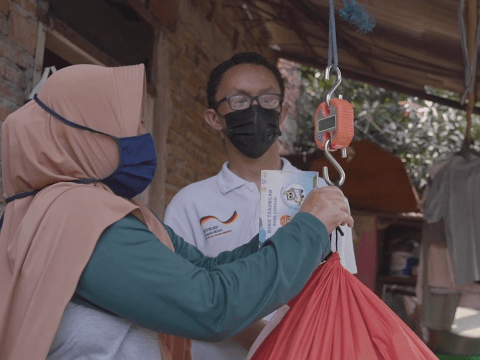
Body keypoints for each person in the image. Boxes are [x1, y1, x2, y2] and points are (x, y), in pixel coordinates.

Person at [0, 64, 354, 360]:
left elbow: (207, 267)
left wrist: (307, 234)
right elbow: (210, 305)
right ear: (85, 138)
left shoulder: (92, 209)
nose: (142, 136)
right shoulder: (79, 216)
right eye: (133, 125)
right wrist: (307, 228)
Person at [164, 52, 357, 360]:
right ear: (214, 118)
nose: (255, 110)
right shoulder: (190, 203)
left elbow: (340, 287)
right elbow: (187, 294)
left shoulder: (320, 194)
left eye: (267, 99)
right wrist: (268, 342)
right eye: (239, 101)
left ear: (281, 112)